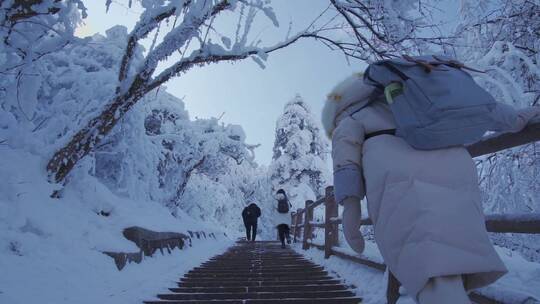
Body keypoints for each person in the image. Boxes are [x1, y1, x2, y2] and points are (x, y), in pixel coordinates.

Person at [322, 73, 540, 304]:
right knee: (454, 251)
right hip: (454, 166)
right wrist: (515, 119)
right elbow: (475, 108)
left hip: (398, 178)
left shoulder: (352, 117)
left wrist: (350, 203)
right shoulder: (421, 96)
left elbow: (346, 160)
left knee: (427, 266)